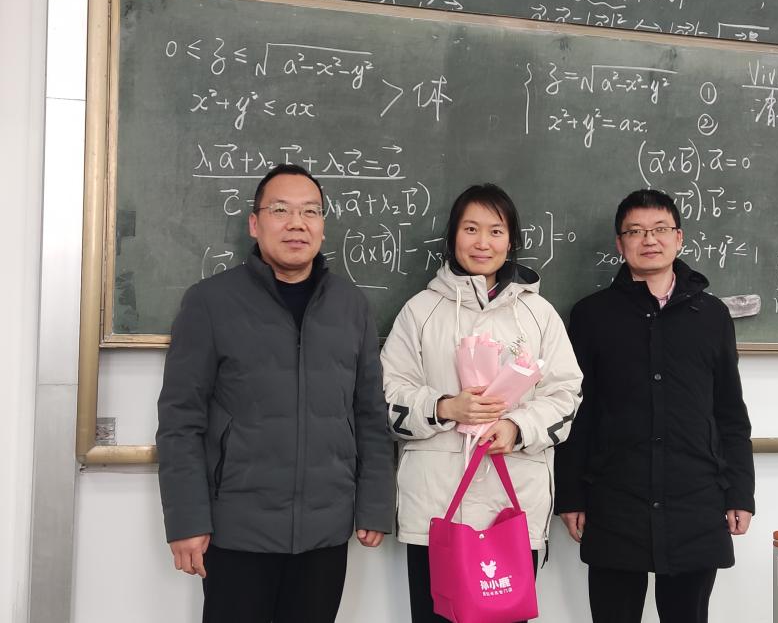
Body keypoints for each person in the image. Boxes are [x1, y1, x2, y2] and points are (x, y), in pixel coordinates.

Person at [155, 164, 394, 623]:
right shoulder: (210, 302)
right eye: (280, 210)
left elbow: (369, 413)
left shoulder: (351, 306)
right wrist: (186, 520)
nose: (297, 224)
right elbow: (180, 420)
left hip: (325, 532)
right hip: (237, 530)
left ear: (322, 226)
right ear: (255, 223)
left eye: (310, 212)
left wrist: (375, 506)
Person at [381, 183, 583, 623]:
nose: (482, 242)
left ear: (511, 241)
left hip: (513, 507)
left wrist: (517, 427)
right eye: (470, 229)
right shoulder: (420, 311)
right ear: (453, 236)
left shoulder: (539, 314)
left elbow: (566, 393)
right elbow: (388, 394)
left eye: (496, 231)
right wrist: (444, 407)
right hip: (436, 509)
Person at [554, 189, 755, 623]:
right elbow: (576, 413)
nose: (649, 239)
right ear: (620, 243)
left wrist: (741, 492)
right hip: (615, 497)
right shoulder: (591, 315)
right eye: (635, 231)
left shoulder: (711, 315)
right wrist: (570, 495)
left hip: (695, 498)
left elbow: (729, 413)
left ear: (679, 238)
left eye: (660, 229)